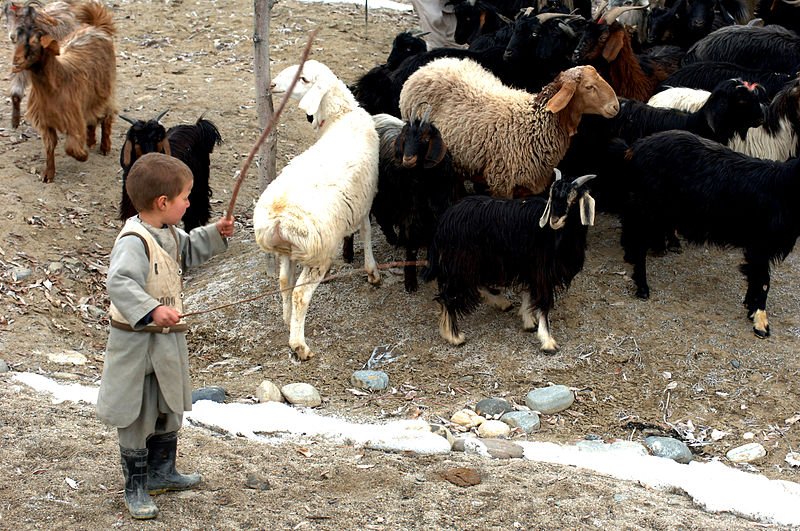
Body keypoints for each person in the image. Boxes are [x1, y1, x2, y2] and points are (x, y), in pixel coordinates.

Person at [96, 152, 235, 520]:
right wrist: (153, 309)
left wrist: (214, 234)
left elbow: (186, 251)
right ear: (163, 203)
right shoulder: (133, 241)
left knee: (167, 405)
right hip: (136, 344)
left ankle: (161, 473)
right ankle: (136, 486)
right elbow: (120, 282)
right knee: (137, 413)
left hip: (167, 341)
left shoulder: (169, 233)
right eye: (186, 197)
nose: (190, 203)